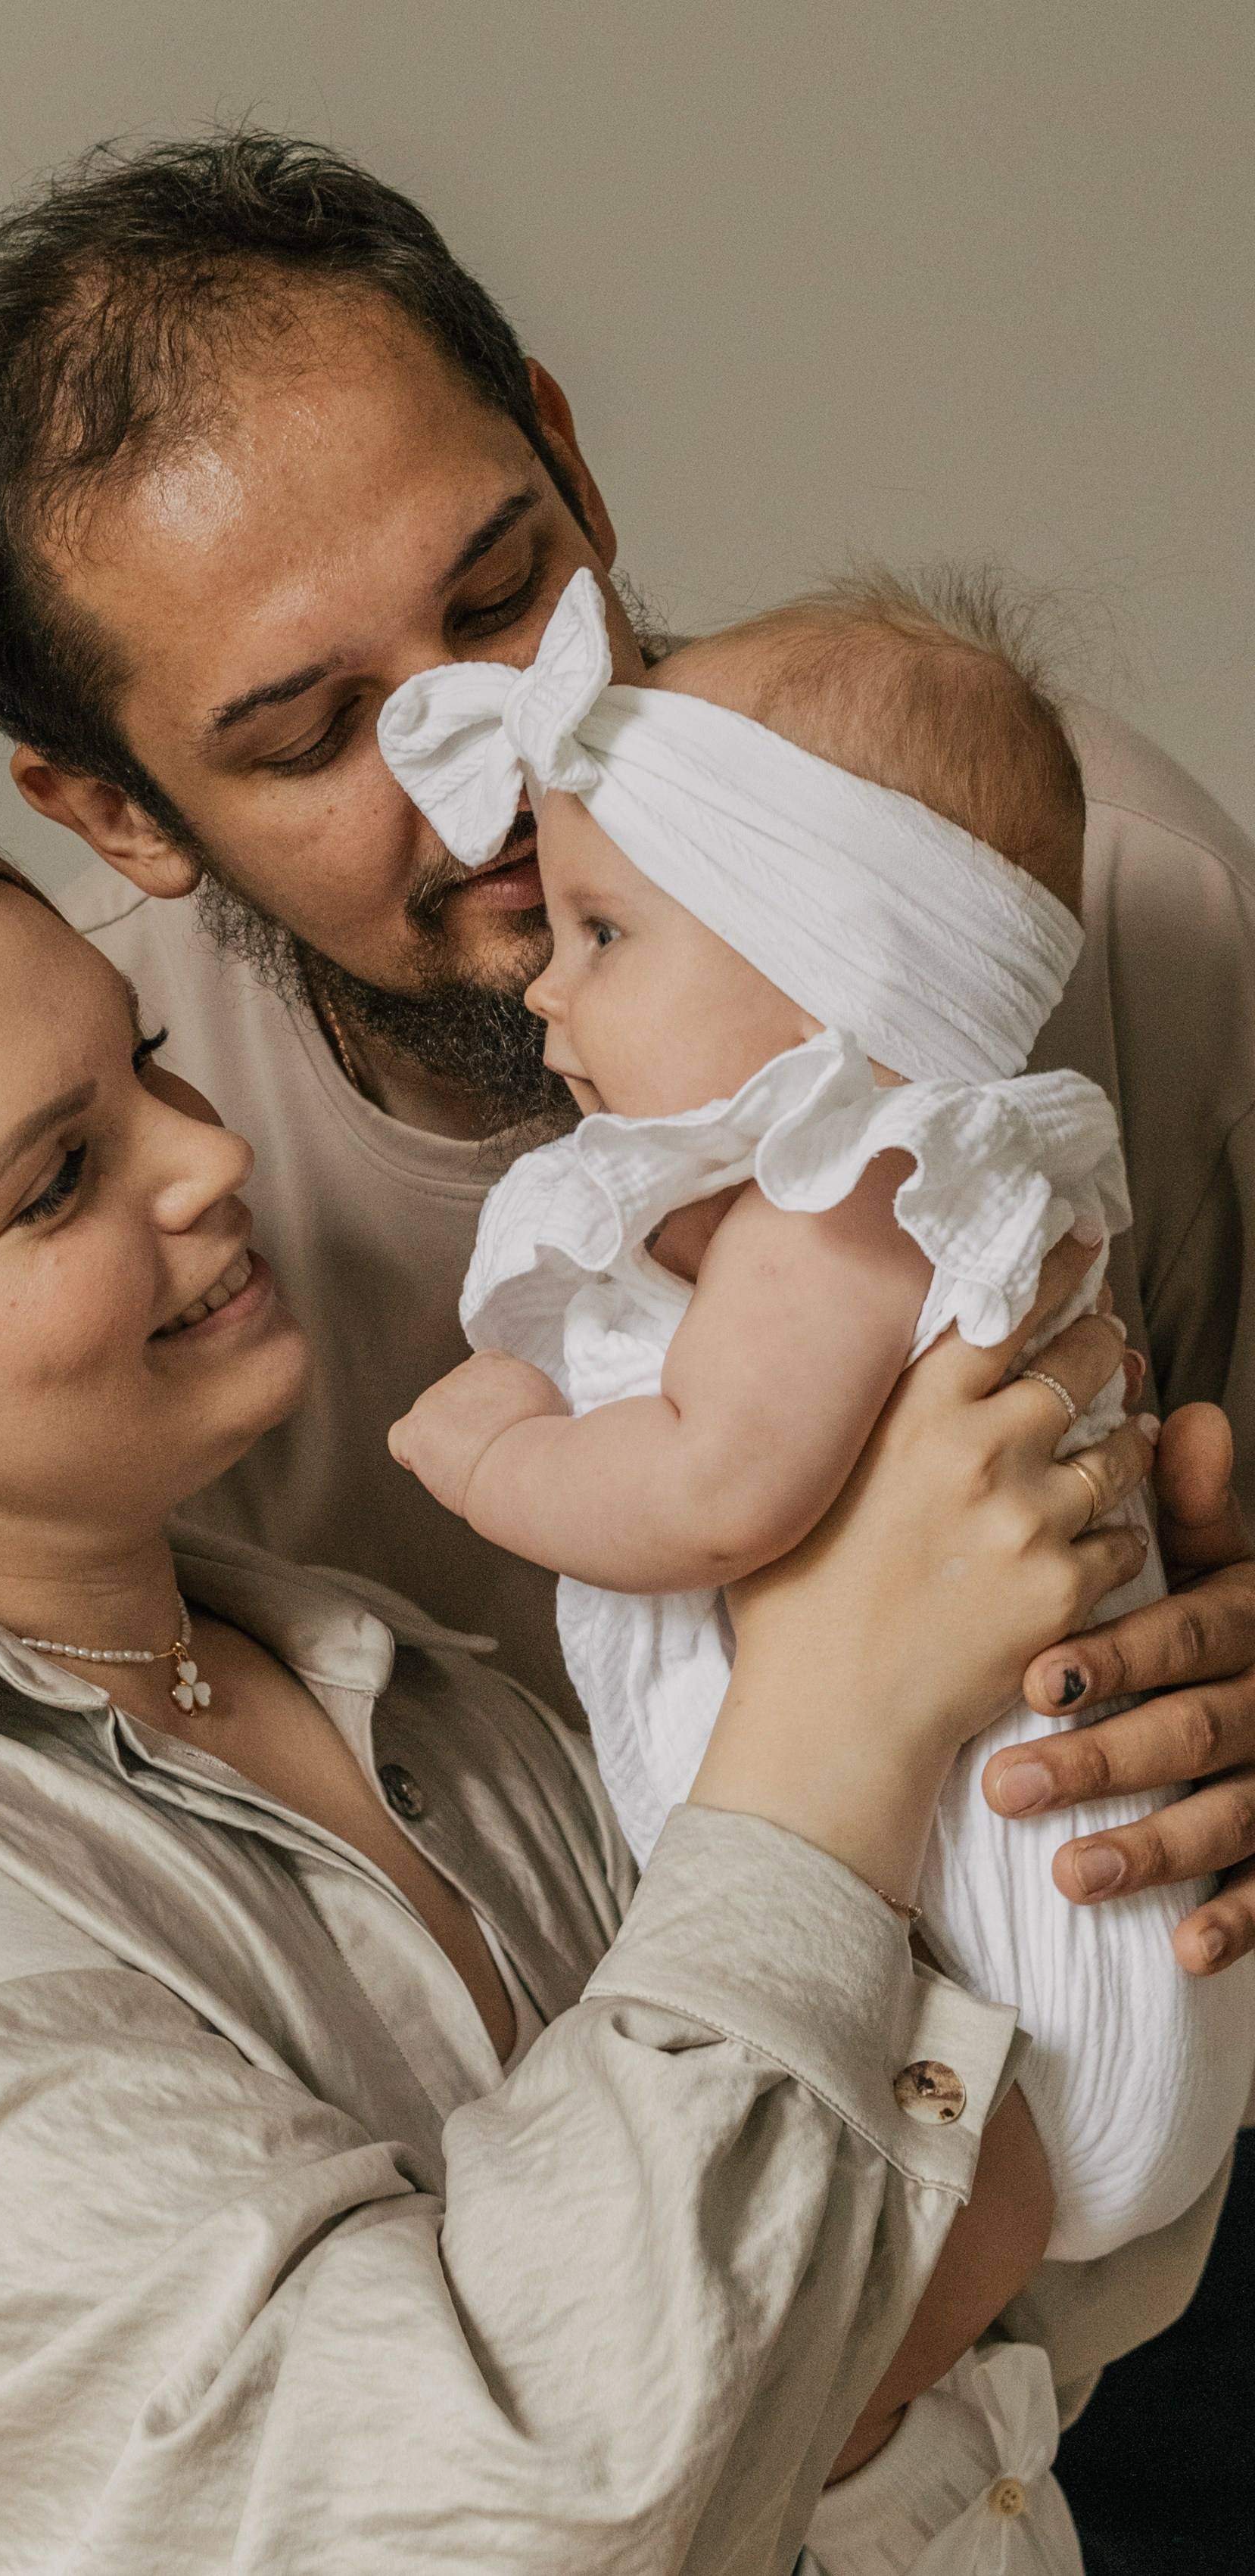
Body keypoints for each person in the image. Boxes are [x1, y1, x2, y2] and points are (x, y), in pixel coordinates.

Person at [0, 138, 1255, 2559]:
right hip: (650, 2377)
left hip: (1166, 2256)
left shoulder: (1056, 904)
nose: (499, 769)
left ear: (574, 456)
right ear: (117, 805)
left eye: (507, 593)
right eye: (305, 732)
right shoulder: (112, 1211)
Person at [0, 814, 1201, 2573]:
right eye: (54, 1178)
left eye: (146, 1071)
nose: (204, 1160)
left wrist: (1085, 1754)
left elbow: (1006, 2255)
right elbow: (513, 2508)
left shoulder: (401, 1685)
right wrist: (840, 1703)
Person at [385, 564, 1255, 2272]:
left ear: (828, 978)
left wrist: (494, 1455)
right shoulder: (893, 1190)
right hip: (1086, 1967)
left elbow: (717, 1489)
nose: (542, 987)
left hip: (1025, 1966)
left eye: (604, 934)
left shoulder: (848, 1196)